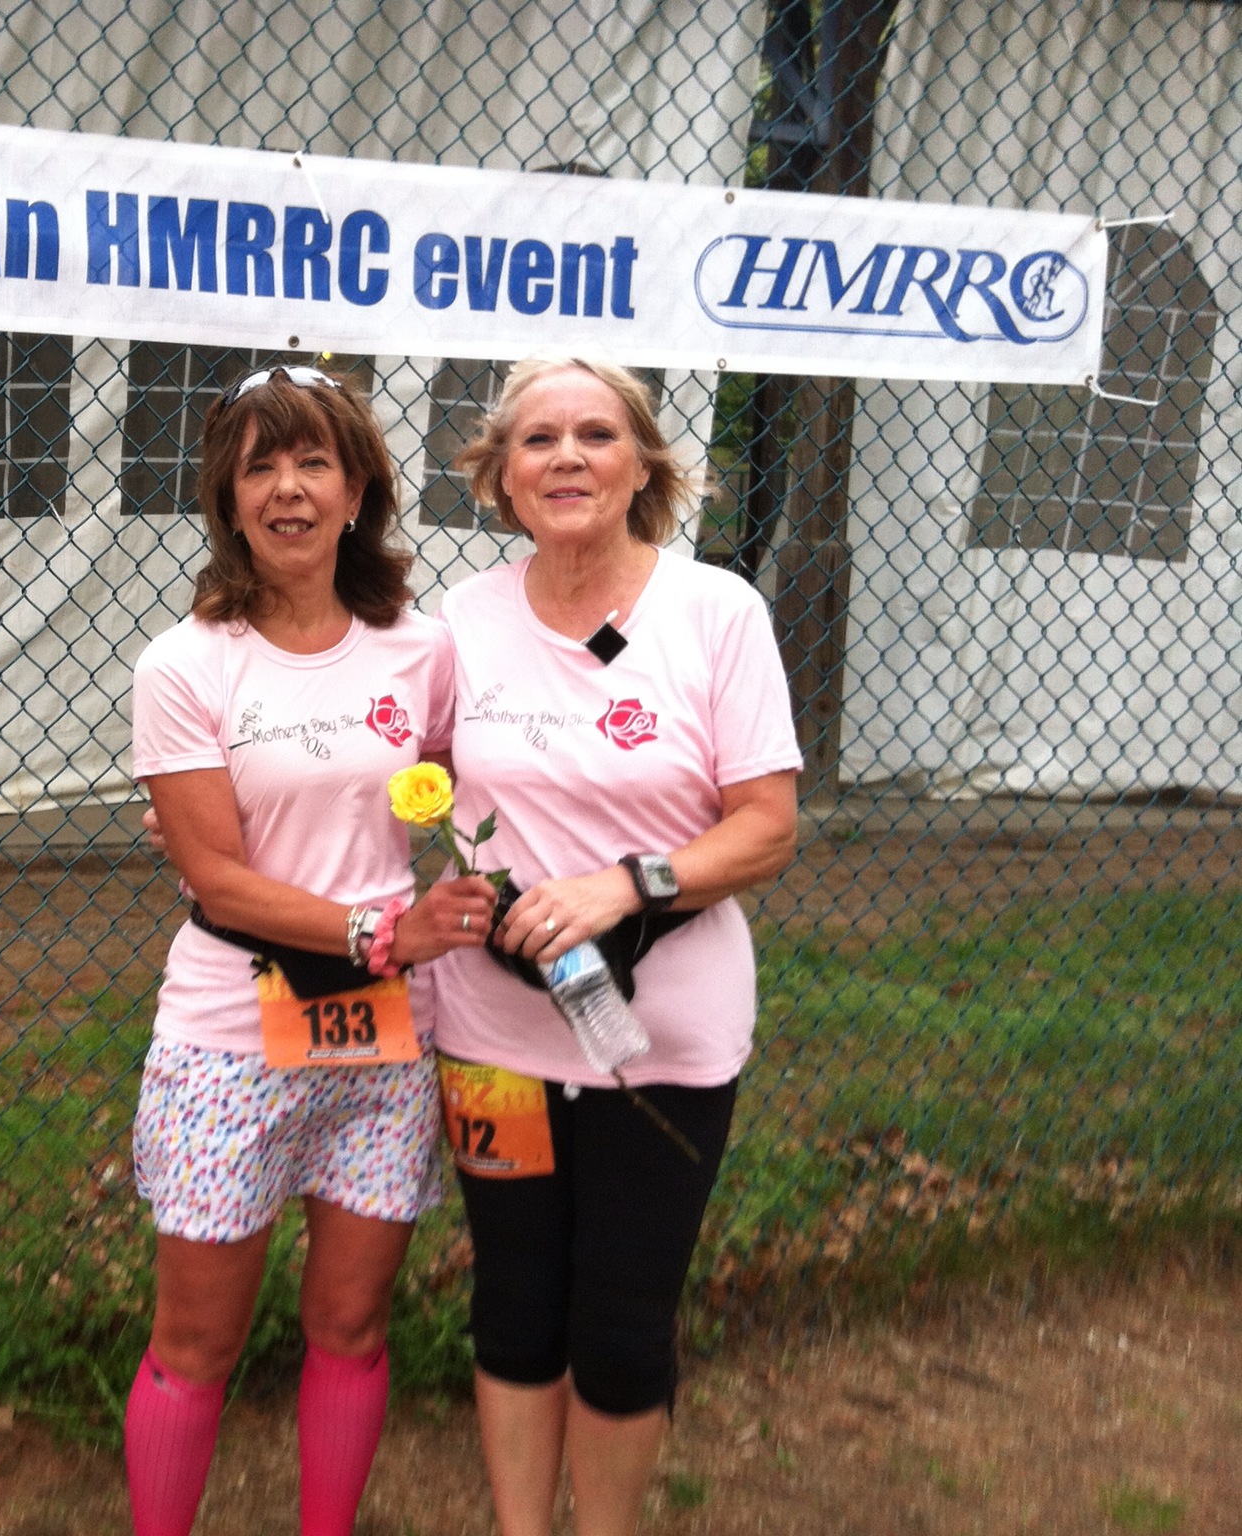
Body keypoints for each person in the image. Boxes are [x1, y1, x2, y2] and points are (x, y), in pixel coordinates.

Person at [431, 355, 800, 1536]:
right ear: (498, 476)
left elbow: (765, 826)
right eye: (536, 440)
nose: (566, 459)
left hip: (664, 1039)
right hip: (493, 1027)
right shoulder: (459, 621)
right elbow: (391, 768)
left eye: (595, 435)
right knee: (513, 1305)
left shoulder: (715, 614)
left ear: (643, 465)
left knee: (623, 1322)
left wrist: (625, 885)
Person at [127, 363, 499, 1536]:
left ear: (356, 492)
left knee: (350, 1327)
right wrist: (380, 930)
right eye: (259, 468)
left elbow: (472, 788)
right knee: (197, 1343)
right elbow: (218, 878)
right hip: (229, 1038)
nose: (286, 489)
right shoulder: (184, 664)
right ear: (227, 500)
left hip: (385, 1042)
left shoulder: (420, 649)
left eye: (312, 463)